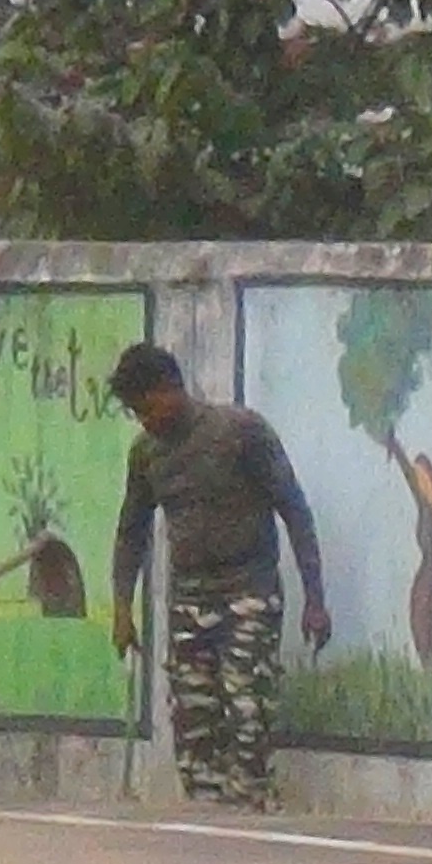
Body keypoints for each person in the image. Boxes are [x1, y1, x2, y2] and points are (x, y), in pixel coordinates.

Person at [108, 344, 331, 811]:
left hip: (249, 594)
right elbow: (131, 531)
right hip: (189, 603)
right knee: (194, 727)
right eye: (135, 413)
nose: (144, 420)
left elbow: (295, 510)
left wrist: (315, 599)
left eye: (146, 407)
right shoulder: (145, 454)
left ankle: (253, 813)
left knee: (248, 713)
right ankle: (210, 833)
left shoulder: (241, 433)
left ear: (171, 388)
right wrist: (122, 610)